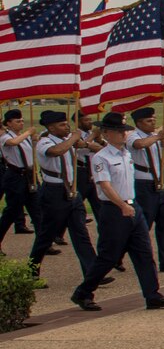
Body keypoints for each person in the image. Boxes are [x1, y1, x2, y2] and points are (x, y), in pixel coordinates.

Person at [70, 112, 164, 313]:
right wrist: (122, 205)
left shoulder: (126, 154)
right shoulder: (102, 157)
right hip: (114, 210)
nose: (124, 135)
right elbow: (105, 185)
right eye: (119, 132)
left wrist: (130, 205)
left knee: (144, 254)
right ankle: (84, 292)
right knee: (108, 257)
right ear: (106, 133)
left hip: (133, 207)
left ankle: (152, 295)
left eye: (125, 131)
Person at [29, 110, 97, 277]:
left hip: (72, 191)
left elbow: (89, 147)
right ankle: (31, 270)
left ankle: (93, 272)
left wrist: (90, 142)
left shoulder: (67, 140)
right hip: (54, 191)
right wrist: (74, 139)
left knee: (80, 233)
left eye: (67, 123)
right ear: (51, 128)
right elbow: (56, 151)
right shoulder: (45, 142)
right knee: (47, 234)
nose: (67, 127)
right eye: (62, 125)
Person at [128, 108, 164, 274]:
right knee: (143, 224)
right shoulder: (133, 135)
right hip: (143, 184)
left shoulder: (157, 135)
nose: (153, 122)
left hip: (161, 184)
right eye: (149, 120)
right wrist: (157, 137)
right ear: (139, 122)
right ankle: (122, 257)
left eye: (154, 119)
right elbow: (139, 145)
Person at [0, 108, 33, 252]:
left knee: (37, 210)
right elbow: (13, 143)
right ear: (8, 123)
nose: (21, 123)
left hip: (28, 176)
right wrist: (28, 133)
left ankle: (45, 242)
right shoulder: (5, 137)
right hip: (14, 176)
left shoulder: (24, 137)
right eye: (17, 121)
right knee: (11, 211)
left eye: (22, 121)